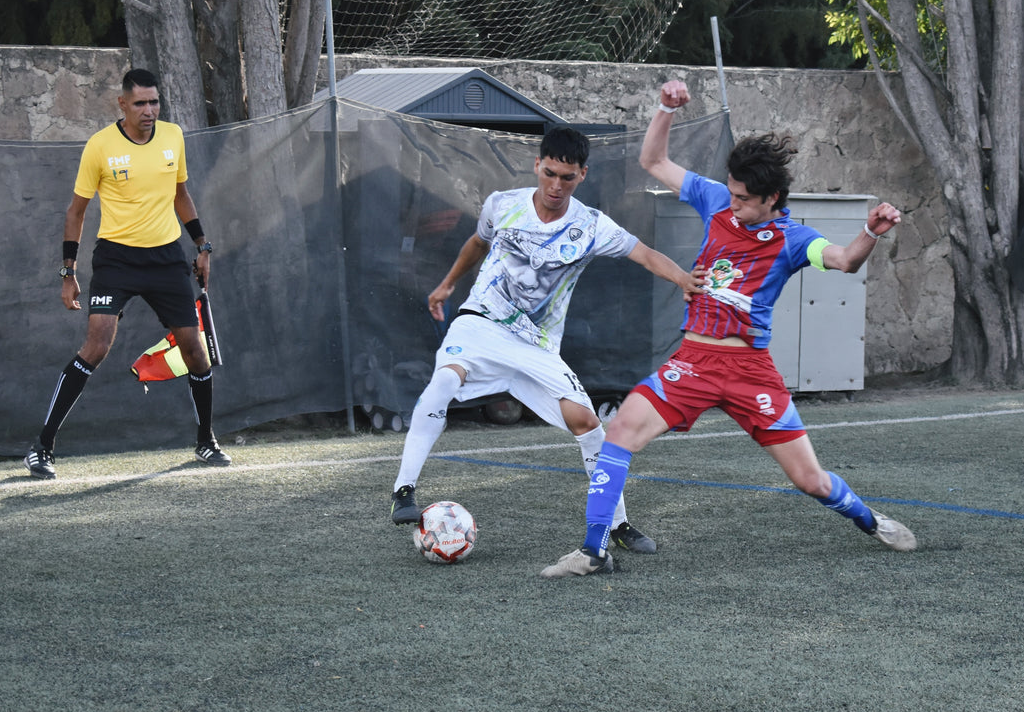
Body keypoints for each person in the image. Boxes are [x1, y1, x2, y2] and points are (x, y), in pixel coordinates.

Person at [540, 80, 958, 578]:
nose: (732, 203)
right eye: (732, 193)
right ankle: (592, 552)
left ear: (772, 197)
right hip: (693, 361)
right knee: (621, 432)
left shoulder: (794, 239)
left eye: (743, 198)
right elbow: (654, 161)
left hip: (749, 370)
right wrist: (664, 109)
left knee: (810, 480)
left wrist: (869, 232)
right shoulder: (716, 199)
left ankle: (870, 521)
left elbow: (844, 261)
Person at [390, 125, 704, 555]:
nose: (556, 185)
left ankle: (618, 523)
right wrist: (447, 286)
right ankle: (403, 491)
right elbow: (477, 243)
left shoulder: (591, 225)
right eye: (550, 173)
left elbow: (645, 254)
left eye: (567, 177)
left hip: (536, 344)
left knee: (588, 424)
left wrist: (685, 279)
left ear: (582, 176)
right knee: (445, 380)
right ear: (538, 165)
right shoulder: (503, 205)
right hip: (481, 322)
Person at [24, 68, 229, 479]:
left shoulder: (172, 136)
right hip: (116, 261)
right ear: (122, 104)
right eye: (140, 103)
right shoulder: (100, 146)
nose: (149, 110)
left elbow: (180, 194)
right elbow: (76, 212)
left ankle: (206, 441)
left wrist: (202, 245)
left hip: (167, 259)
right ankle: (41, 448)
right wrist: (68, 272)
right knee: (96, 346)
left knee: (194, 349)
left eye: (154, 102)